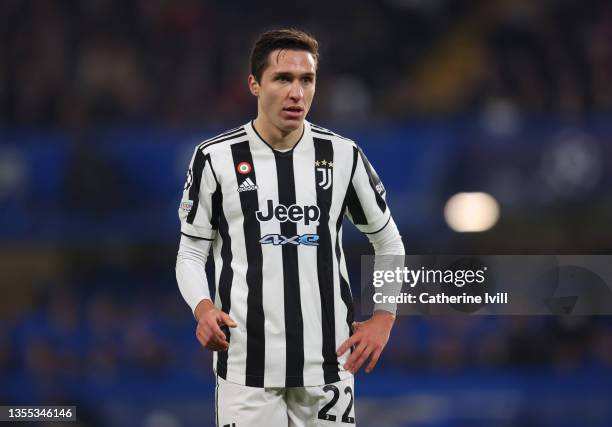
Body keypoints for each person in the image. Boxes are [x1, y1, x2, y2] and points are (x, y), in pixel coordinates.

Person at [175, 28, 404, 427]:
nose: (297, 92)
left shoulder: (342, 155)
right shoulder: (215, 159)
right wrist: (204, 308)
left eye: (306, 79)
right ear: (254, 84)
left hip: (329, 369)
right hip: (247, 372)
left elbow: (388, 241)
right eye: (283, 79)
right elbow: (191, 253)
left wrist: (383, 317)